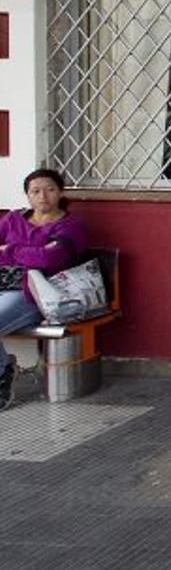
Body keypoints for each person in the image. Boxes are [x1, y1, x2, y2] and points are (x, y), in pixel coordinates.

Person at [0, 169, 89, 407]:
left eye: (50, 190)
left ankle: (2, 373)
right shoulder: (13, 219)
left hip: (36, 295)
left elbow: (49, 259)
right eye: (35, 191)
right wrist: (32, 253)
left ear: (60, 192)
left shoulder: (72, 226)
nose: (43, 197)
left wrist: (9, 250)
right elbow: (39, 255)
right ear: (27, 195)